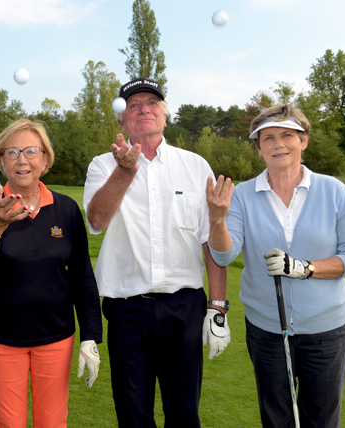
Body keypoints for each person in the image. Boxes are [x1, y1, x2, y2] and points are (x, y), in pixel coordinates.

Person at [206, 104, 345, 427]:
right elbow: (224, 255)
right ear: (259, 148)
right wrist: (218, 220)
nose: (278, 144)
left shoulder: (334, 191)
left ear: (304, 141)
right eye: (267, 138)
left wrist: (303, 267)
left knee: (321, 420)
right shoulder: (241, 196)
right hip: (267, 331)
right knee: (276, 420)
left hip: (326, 331)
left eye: (286, 135)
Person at [83, 78, 230, 428]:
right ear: (122, 119)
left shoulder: (195, 166)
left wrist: (219, 307)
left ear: (165, 114)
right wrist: (125, 172)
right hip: (127, 310)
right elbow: (96, 220)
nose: (143, 109)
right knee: (133, 415)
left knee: (183, 413)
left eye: (152, 103)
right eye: (133, 105)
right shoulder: (103, 165)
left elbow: (209, 240)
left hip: (184, 307)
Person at [0, 118, 103, 428]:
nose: (21, 159)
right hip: (1, 338)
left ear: (45, 160)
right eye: (11, 152)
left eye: (30, 151)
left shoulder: (65, 208)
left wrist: (90, 335)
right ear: (1, 161)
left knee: (52, 423)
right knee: (8, 424)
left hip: (55, 337)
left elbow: (82, 276)